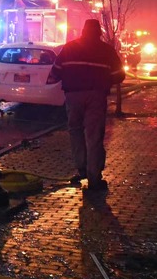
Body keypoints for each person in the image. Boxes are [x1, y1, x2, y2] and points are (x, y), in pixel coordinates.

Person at [49, 19, 125, 192]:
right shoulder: (107, 50)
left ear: (83, 30)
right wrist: (104, 81)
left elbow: (55, 73)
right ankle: (94, 177)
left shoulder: (69, 48)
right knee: (94, 135)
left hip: (73, 95)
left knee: (75, 131)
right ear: (99, 32)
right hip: (96, 96)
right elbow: (119, 75)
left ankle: (81, 169)